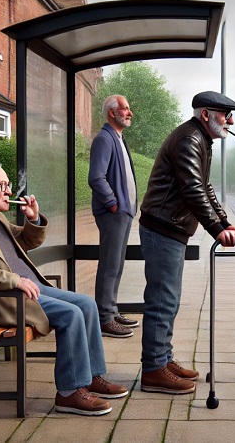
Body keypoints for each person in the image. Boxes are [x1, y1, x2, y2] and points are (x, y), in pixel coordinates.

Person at [0, 161, 128, 416]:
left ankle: (91, 376)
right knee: (71, 315)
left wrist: (34, 219)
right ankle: (69, 393)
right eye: (2, 185)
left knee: (86, 304)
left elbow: (22, 243)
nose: (9, 192)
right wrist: (14, 281)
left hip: (29, 288)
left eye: (8, 185)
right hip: (4, 298)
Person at [137, 91, 235, 394]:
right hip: (163, 228)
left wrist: (224, 222)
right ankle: (154, 370)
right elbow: (192, 189)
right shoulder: (189, 139)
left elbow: (204, 186)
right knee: (162, 300)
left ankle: (162, 359)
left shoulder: (198, 138)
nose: (231, 120)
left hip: (169, 228)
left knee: (168, 301)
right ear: (207, 115)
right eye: (226, 114)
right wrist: (216, 229)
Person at [88, 95, 139, 338]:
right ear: (112, 112)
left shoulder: (117, 137)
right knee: (110, 264)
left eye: (128, 109)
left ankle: (112, 310)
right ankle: (104, 318)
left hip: (123, 213)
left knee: (117, 264)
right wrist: (113, 204)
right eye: (125, 108)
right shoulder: (104, 139)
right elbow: (96, 177)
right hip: (114, 214)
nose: (129, 113)